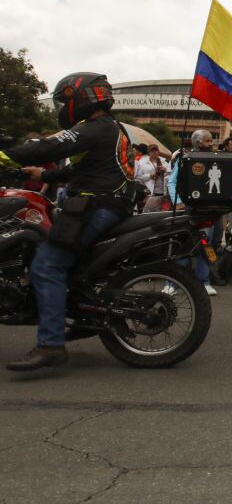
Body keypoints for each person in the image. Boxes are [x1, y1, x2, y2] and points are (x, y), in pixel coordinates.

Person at [0, 73, 137, 371]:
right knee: (44, 248)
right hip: (108, 202)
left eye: (65, 100)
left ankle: (50, 345)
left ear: (81, 98)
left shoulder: (91, 129)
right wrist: (43, 176)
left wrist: (5, 155)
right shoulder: (110, 129)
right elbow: (81, 169)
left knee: (47, 265)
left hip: (96, 205)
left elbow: (48, 147)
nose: (63, 106)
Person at [167, 129, 219, 293]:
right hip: (187, 209)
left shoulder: (216, 160)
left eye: (211, 141)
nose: (211, 144)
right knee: (182, 244)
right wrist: (179, 202)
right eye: (208, 141)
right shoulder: (184, 159)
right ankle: (173, 284)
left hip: (207, 209)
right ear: (198, 143)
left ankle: (204, 282)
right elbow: (171, 182)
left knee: (205, 245)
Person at [135, 144, 169, 212]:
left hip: (163, 193)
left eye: (156, 150)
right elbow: (137, 178)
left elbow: (171, 175)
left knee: (160, 213)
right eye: (152, 150)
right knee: (148, 212)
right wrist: (150, 176)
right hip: (150, 193)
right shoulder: (142, 163)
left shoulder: (164, 162)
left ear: (158, 151)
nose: (154, 152)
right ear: (149, 152)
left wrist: (165, 170)